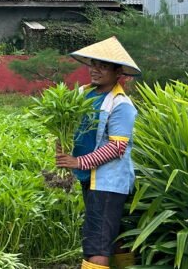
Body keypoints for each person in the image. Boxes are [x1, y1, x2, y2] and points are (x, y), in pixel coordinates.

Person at [55, 36, 140, 269]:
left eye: (103, 66)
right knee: (112, 236)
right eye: (93, 64)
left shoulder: (121, 105)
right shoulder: (83, 94)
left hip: (108, 182)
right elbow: (67, 122)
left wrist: (78, 162)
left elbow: (116, 147)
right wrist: (61, 141)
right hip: (92, 179)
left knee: (96, 245)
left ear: (118, 72)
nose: (95, 70)